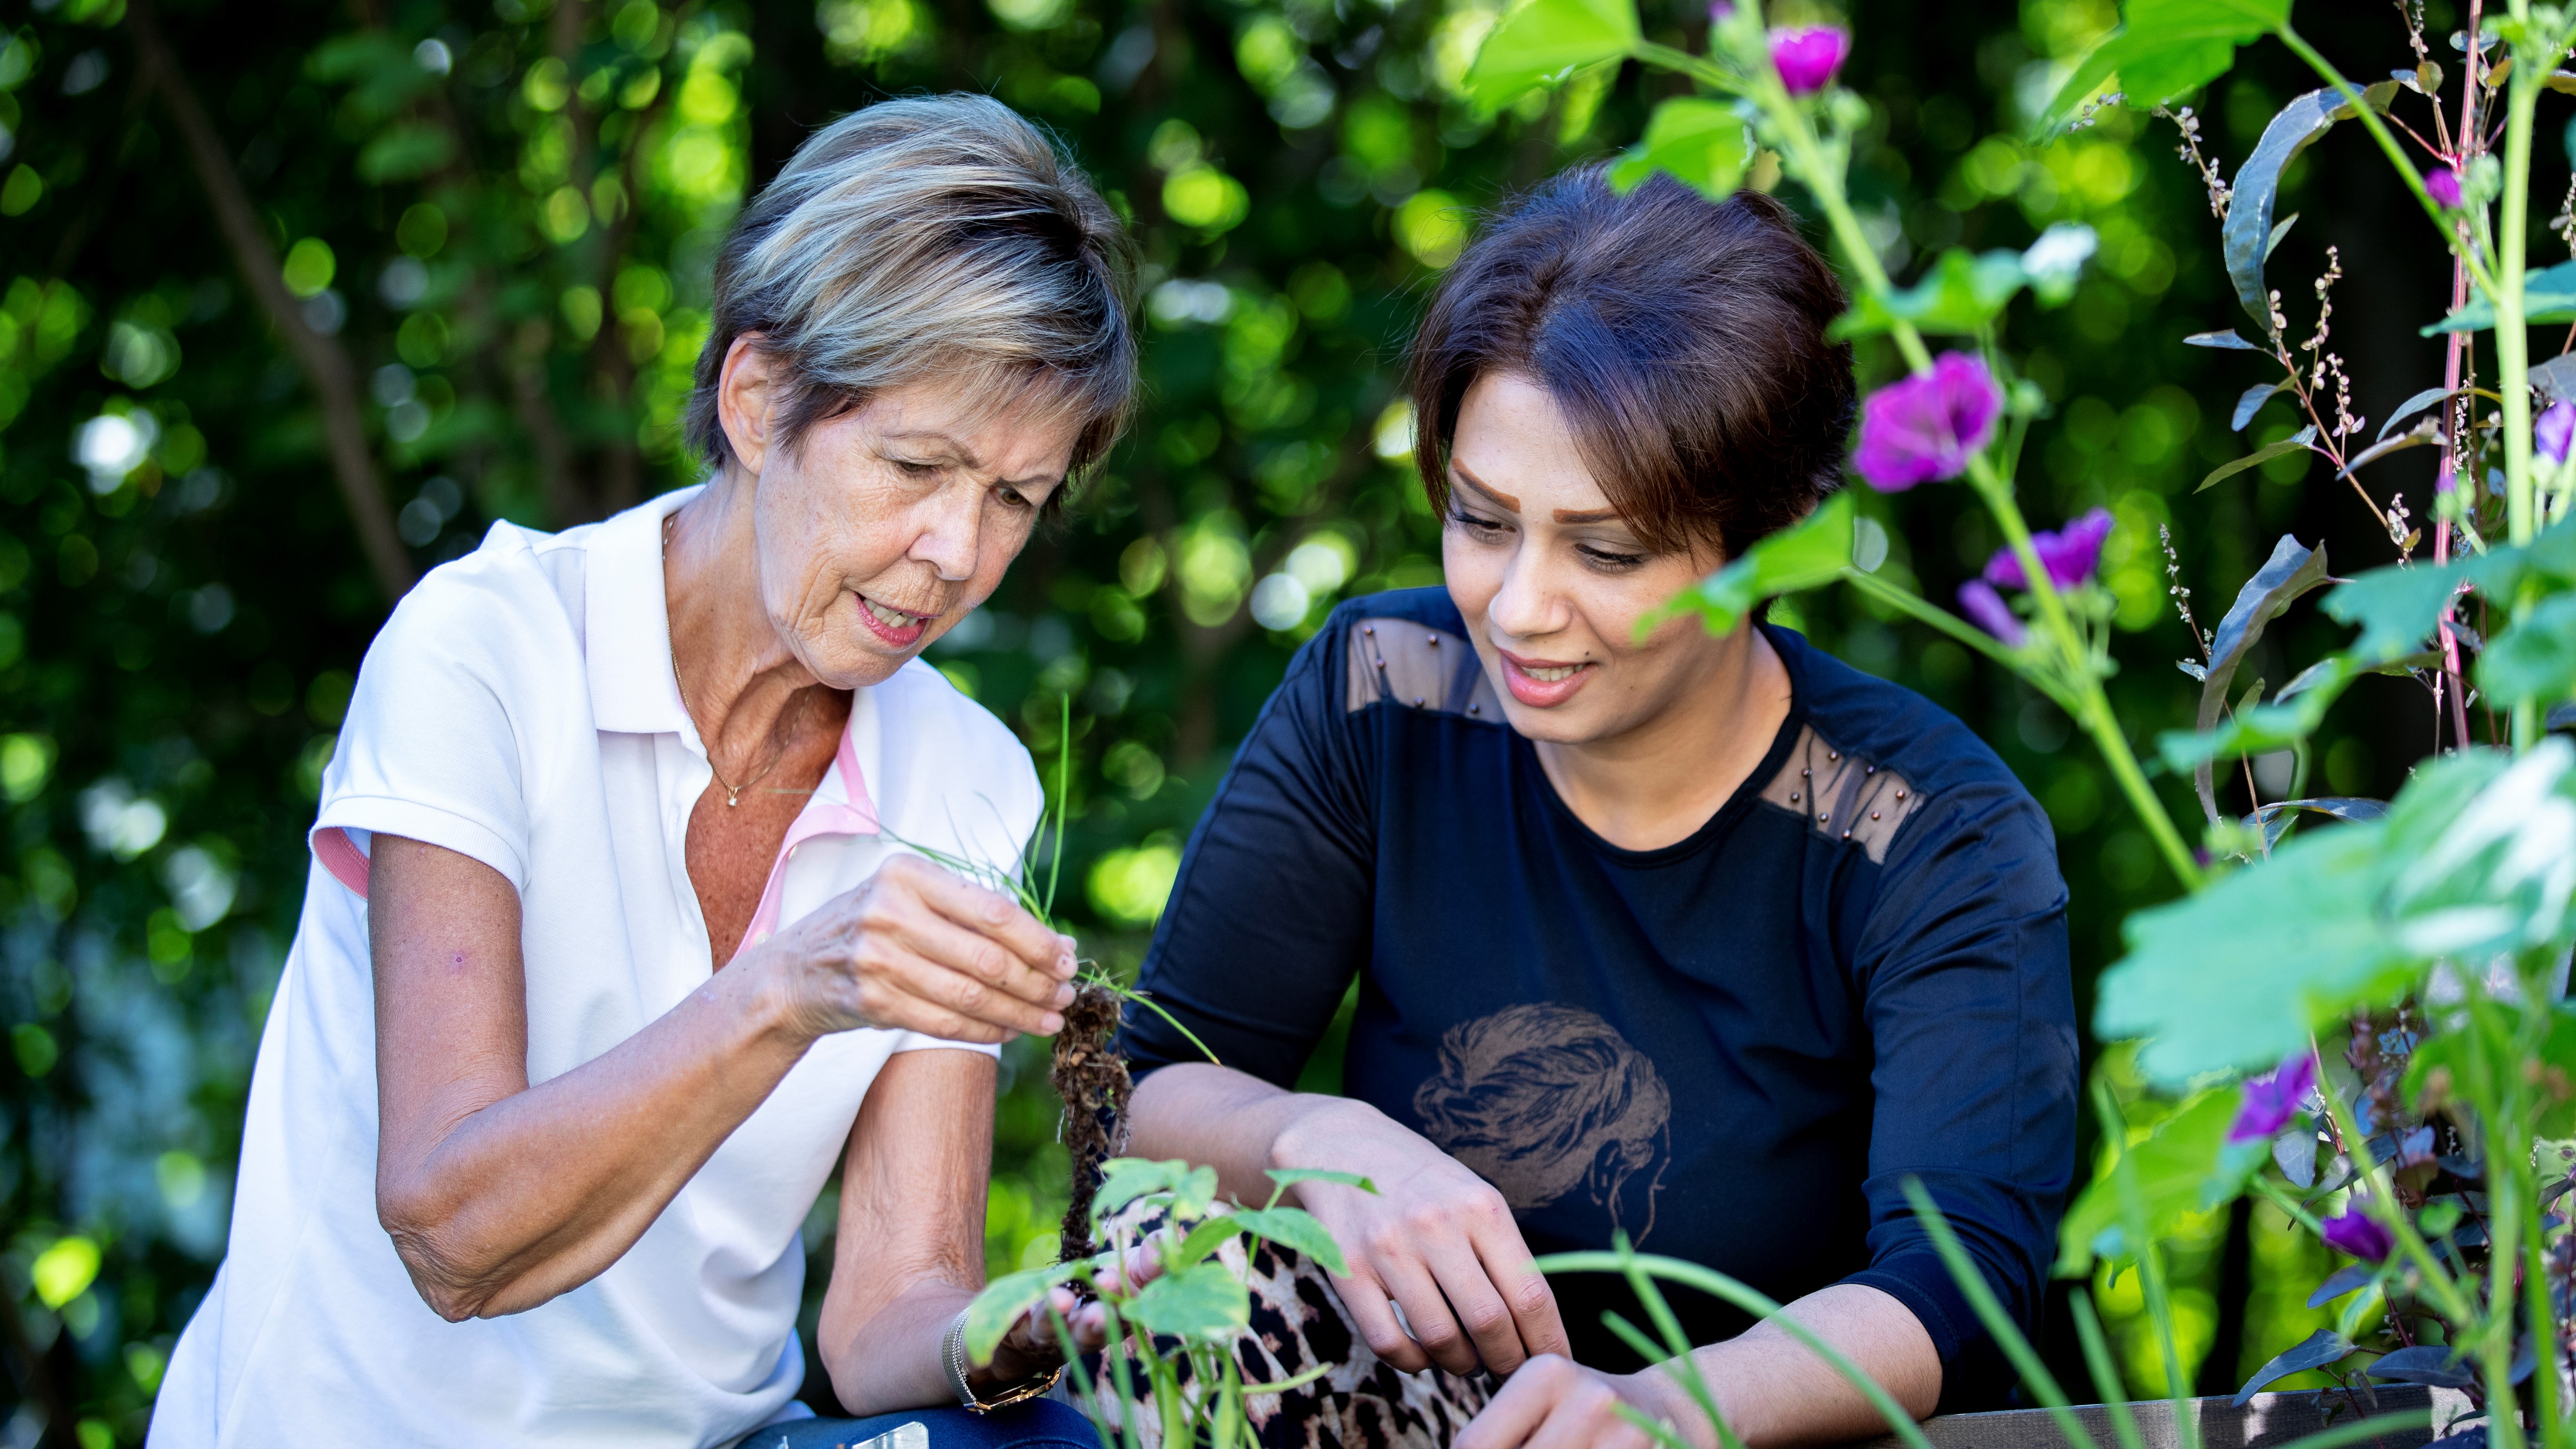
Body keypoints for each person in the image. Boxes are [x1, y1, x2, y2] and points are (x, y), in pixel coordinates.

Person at [152, 95, 1136, 1449]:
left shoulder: (967, 776)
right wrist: (787, 991)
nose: (958, 553)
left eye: (1015, 498)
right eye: (917, 465)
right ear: (757, 399)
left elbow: (887, 1315)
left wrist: (1040, 1327)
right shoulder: (487, 649)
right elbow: (451, 1234)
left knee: (1043, 1437)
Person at [1113, 172, 2078, 1449]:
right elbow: (1143, 1097)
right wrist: (1312, 1135)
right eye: (1481, 520)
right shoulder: (1385, 690)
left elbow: (1959, 1287)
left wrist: (1661, 1415)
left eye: (1607, 551)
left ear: (1772, 536)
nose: (1519, 608)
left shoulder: (1928, 831)